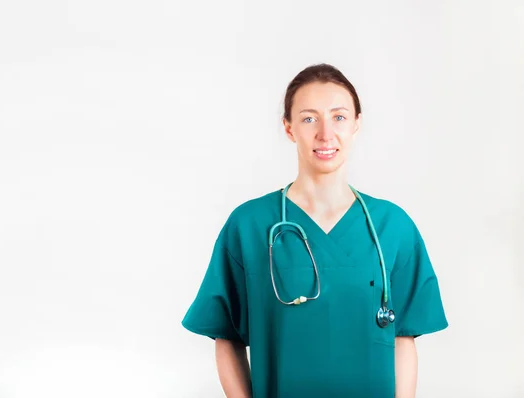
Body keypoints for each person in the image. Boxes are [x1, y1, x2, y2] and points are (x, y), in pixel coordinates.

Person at [181, 63, 448, 398]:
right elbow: (226, 336)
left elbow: (403, 338)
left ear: (356, 125)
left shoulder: (392, 226)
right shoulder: (249, 225)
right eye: (309, 118)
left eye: (339, 117)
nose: (325, 134)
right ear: (289, 128)